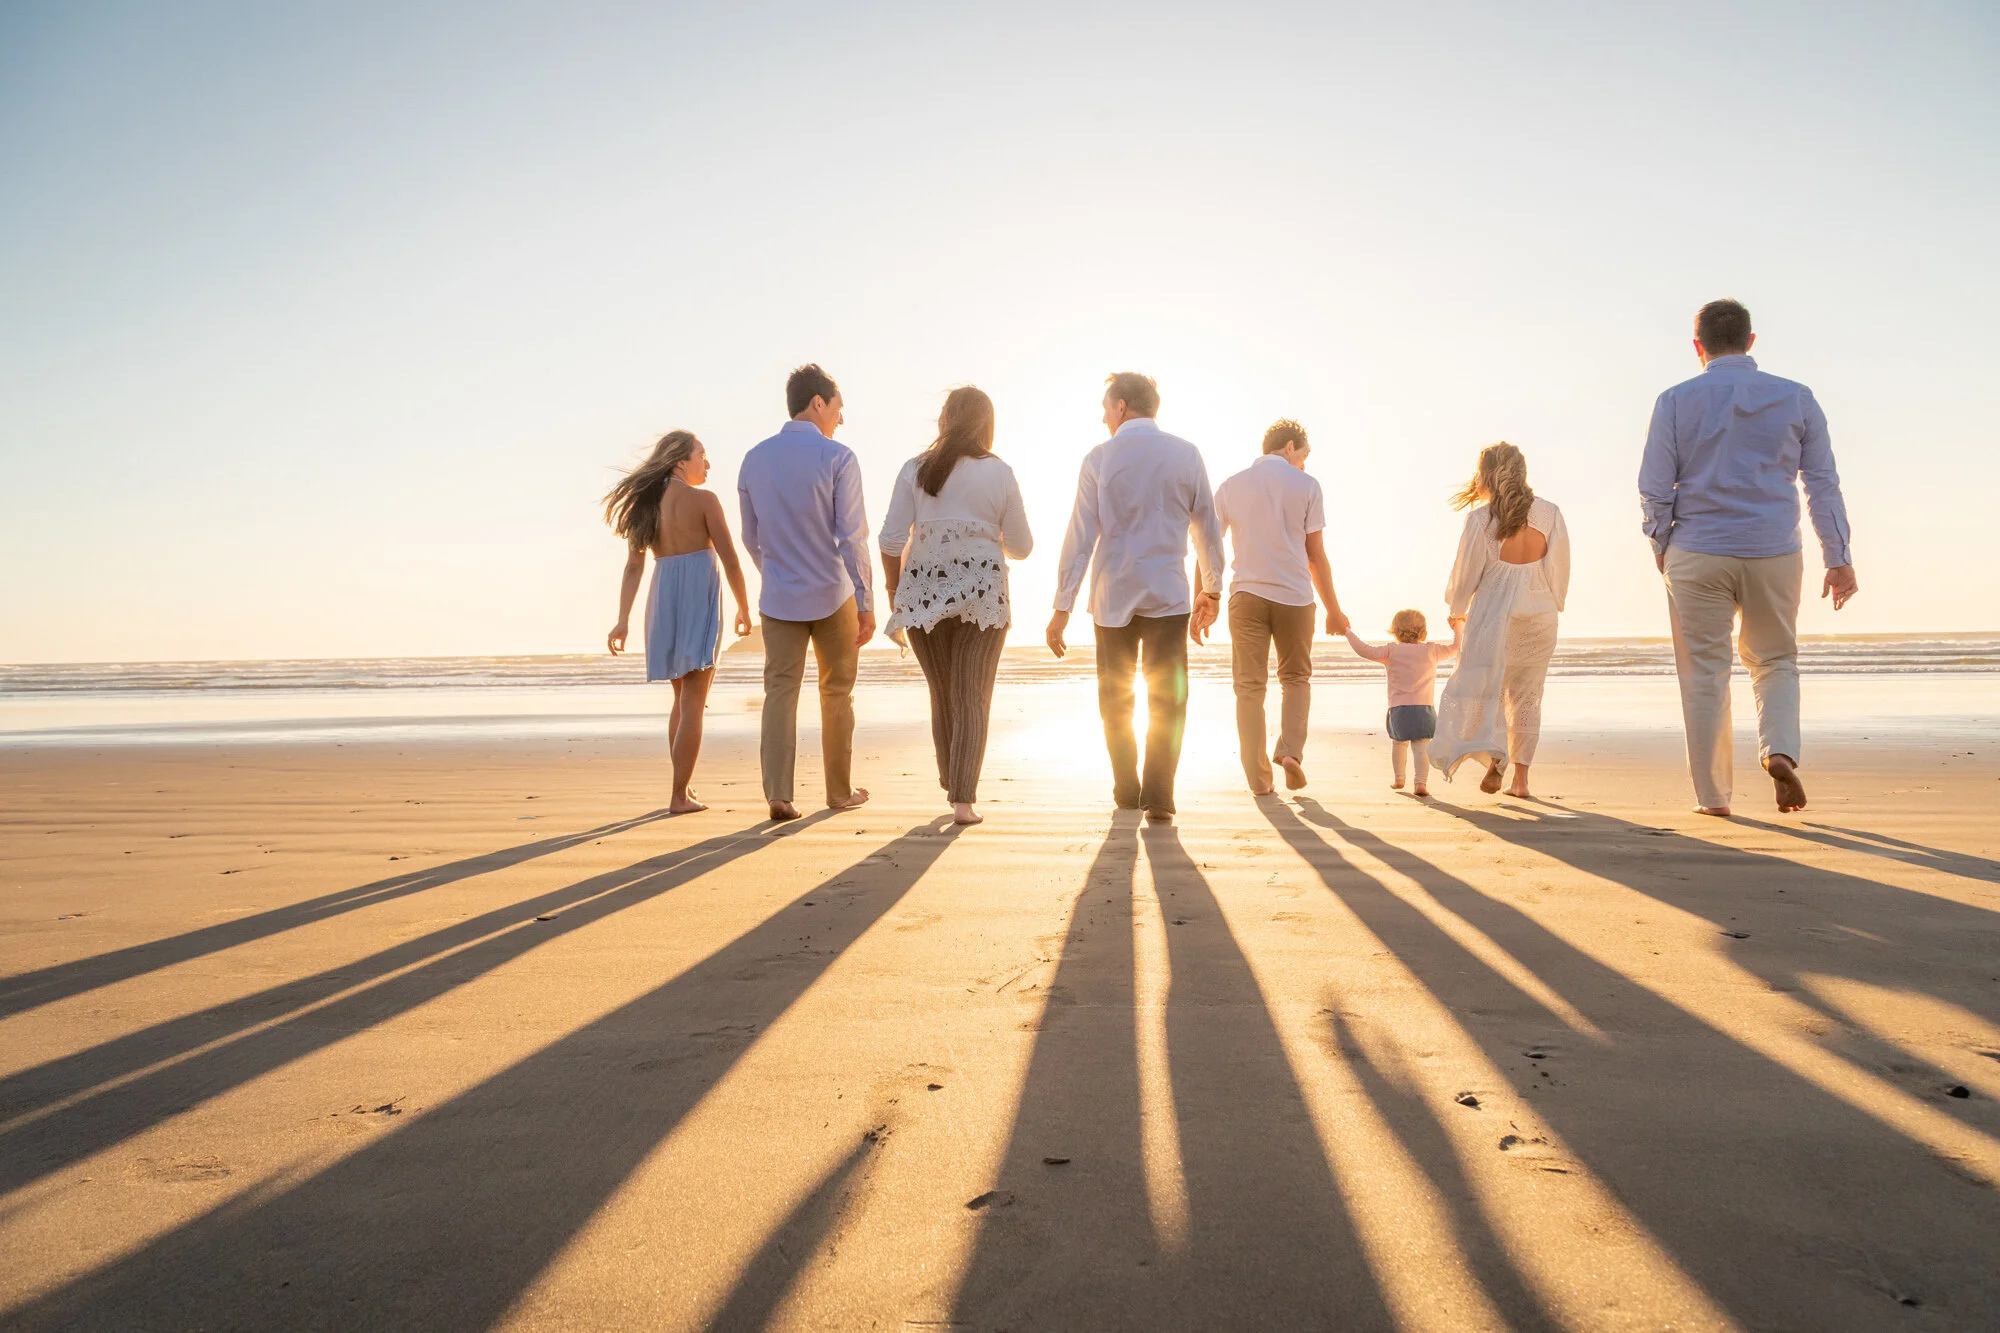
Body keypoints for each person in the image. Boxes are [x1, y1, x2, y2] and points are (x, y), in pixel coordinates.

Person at [1640, 298, 1857, 815]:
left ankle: (1714, 798)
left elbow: (1653, 486)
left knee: (1705, 674)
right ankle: (1779, 752)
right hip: (1773, 549)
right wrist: (1839, 556)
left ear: (1698, 347)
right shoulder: (1796, 397)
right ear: (1751, 341)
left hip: (1697, 549)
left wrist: (1660, 543)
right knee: (1776, 659)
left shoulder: (1674, 400)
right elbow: (1822, 484)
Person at [1048, 372, 1225, 825]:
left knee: (1115, 698)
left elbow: (1081, 535)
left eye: (1106, 407)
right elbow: (1206, 525)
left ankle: (1127, 789)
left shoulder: (1100, 458)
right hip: (1168, 594)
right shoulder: (1187, 454)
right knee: (1169, 698)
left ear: (1122, 406)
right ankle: (1160, 796)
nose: (1103, 416)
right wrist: (1212, 588)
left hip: (1112, 597)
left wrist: (1061, 606)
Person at [878, 386, 1033, 826]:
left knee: (943, 693)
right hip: (982, 592)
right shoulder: (999, 472)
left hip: (922, 593)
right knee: (971, 696)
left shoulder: (916, 469)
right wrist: (986, 534)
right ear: (986, 424)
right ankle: (963, 800)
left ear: (945, 420)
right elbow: (1022, 546)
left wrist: (894, 589)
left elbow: (890, 539)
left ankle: (952, 782)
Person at [738, 363, 875, 822]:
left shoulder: (755, 459)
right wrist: (866, 600)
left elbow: (750, 537)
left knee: (780, 691)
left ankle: (779, 794)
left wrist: (774, 571)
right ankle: (839, 792)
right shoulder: (839, 458)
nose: (841, 418)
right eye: (838, 408)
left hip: (779, 598)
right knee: (836, 692)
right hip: (833, 594)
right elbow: (852, 537)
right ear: (818, 403)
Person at [604, 431, 753, 814]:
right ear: (680, 461)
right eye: (702, 455)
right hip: (696, 596)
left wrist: (622, 620)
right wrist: (743, 607)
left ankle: (681, 789)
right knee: (694, 700)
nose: (707, 463)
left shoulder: (646, 506)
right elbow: (731, 559)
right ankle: (678, 795)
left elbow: (634, 565)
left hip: (663, 595)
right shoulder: (703, 500)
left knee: (682, 700)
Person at [1210, 418, 1350, 794]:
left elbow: (1210, 548)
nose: (1304, 463)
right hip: (1295, 598)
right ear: (1290, 447)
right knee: (1295, 679)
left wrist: (1206, 596)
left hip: (1247, 597)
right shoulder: (1307, 485)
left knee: (1249, 688)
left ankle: (1258, 780)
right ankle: (1290, 752)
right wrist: (1334, 609)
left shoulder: (1230, 486)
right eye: (1303, 455)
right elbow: (1315, 555)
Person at [1432, 442, 1571, 797]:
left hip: (1495, 614)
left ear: (1487, 474)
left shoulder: (1481, 519)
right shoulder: (1550, 512)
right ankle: (1521, 781)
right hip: (1539, 615)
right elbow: (1559, 567)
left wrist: (1457, 608)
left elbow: (1466, 575)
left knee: (1487, 690)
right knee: (1527, 697)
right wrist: (1554, 601)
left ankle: (1497, 757)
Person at [1344, 609, 1461, 797]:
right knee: (1421, 746)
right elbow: (1456, 647)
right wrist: (1458, 626)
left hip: (1399, 709)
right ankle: (1420, 783)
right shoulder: (1432, 650)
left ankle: (1399, 778)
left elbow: (1364, 650)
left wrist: (1347, 632)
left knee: (1399, 744)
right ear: (1423, 632)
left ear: (1395, 631)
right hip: (1425, 709)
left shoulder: (1391, 651)